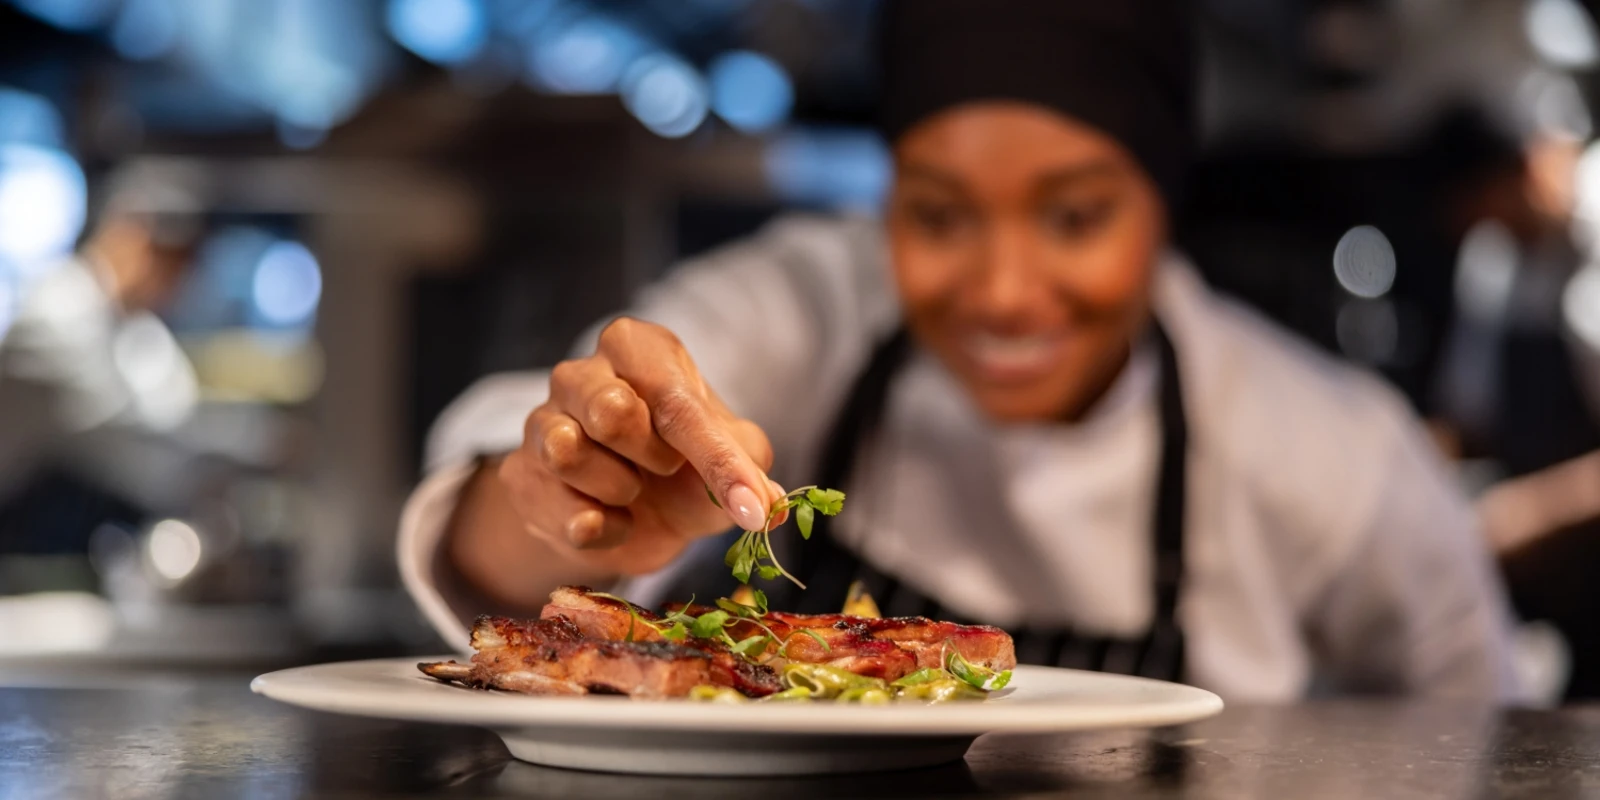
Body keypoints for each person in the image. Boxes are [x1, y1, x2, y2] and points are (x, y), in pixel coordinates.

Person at [400, 0, 1518, 701]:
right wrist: (565, 491)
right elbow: (504, 522)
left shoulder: (1319, 441)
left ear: (1161, 206)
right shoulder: (811, 301)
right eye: (938, 214)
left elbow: (1487, 729)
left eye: (1073, 216)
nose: (1000, 289)